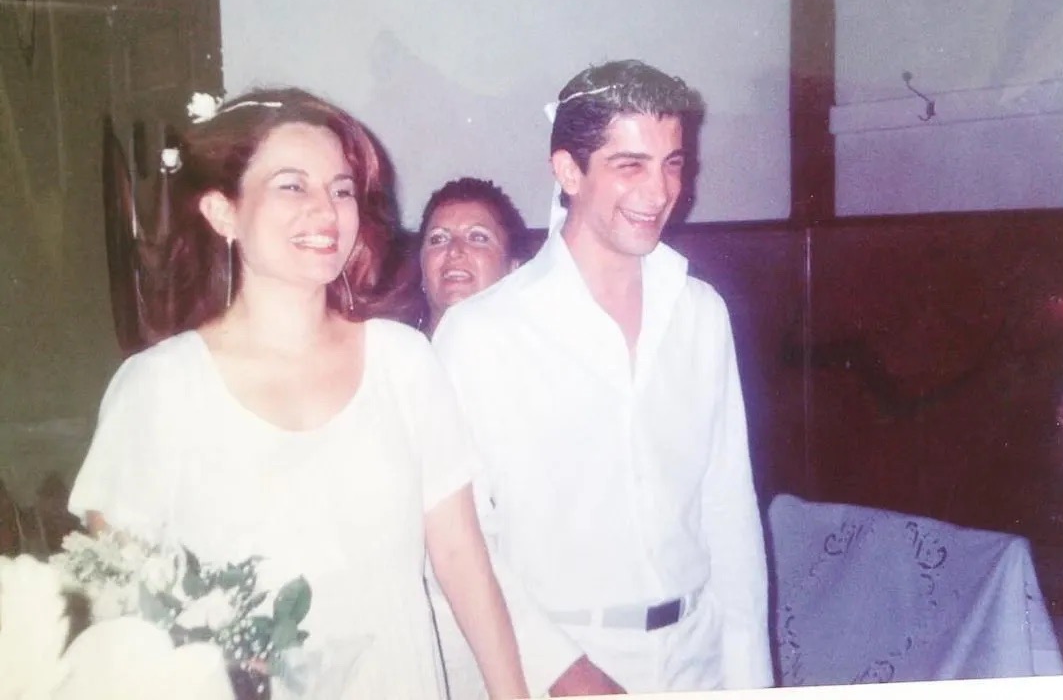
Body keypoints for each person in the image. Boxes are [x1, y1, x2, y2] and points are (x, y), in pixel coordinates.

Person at [67, 88, 529, 700]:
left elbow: (461, 558)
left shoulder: (402, 362)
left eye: (341, 190)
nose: (325, 211)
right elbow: (119, 610)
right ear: (222, 212)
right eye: (292, 186)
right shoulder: (160, 388)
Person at [431, 60, 774, 696]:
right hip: (562, 665)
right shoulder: (482, 334)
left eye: (672, 163)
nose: (660, 191)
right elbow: (463, 542)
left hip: (698, 661)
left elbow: (729, 514)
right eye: (630, 165)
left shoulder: (700, 313)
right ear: (568, 171)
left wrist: (751, 678)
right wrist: (563, 672)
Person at [417, 177, 528, 335]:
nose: (454, 250)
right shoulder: (389, 347)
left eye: (478, 237)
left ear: (513, 268)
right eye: (438, 239)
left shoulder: (539, 349)